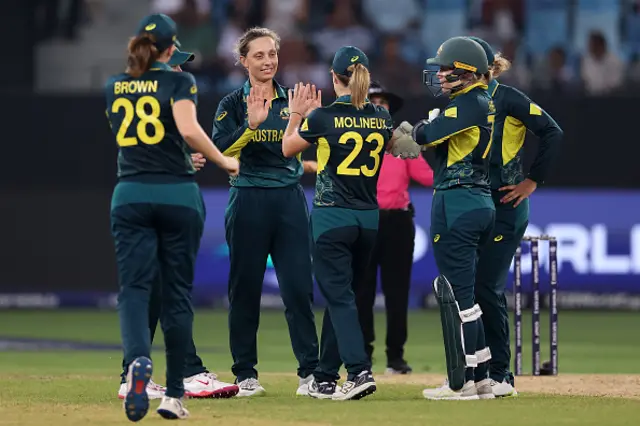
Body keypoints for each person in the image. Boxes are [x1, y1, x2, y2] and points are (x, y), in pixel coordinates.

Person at [105, 13, 239, 421]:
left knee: (133, 290)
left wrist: (182, 154)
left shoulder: (113, 86)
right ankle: (174, 394)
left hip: (130, 191)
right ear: (167, 49)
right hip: (176, 194)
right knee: (177, 293)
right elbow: (188, 128)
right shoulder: (180, 81)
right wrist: (222, 160)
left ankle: (135, 368)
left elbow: (138, 140)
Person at [211, 27, 319, 397]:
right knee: (244, 290)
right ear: (243, 61)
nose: (268, 61)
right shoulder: (230, 104)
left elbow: (304, 149)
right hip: (248, 200)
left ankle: (310, 373)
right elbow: (223, 156)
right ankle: (245, 374)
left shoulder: (295, 101)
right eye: (258, 55)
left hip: (288, 200)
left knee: (298, 289)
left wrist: (312, 121)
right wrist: (251, 125)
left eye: (272, 53)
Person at [282, 46, 393, 401]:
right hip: (368, 220)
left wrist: (297, 115)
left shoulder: (323, 118)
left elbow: (287, 149)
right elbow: (394, 144)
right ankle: (326, 376)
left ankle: (359, 371)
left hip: (332, 216)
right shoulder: (380, 117)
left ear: (334, 77)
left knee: (339, 296)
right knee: (342, 296)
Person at [389, 36, 496, 400]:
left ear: (466, 72)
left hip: (458, 202)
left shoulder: (471, 102)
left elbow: (425, 134)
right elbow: (436, 142)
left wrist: (419, 130)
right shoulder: (479, 102)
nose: (440, 76)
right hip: (476, 200)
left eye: (446, 69)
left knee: (456, 294)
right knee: (469, 294)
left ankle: (461, 381)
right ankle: (481, 377)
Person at [468, 36, 563, 397]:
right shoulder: (461, 103)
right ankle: (473, 369)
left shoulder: (508, 98)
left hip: (505, 204)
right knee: (469, 289)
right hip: (472, 203)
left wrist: (531, 181)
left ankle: (501, 374)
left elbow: (552, 132)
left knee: (486, 286)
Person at [356, 81, 433, 375]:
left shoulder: (403, 138)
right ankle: (362, 357)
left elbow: (426, 177)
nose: (379, 105)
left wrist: (436, 144)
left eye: (384, 101)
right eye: (374, 100)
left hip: (398, 222)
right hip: (365, 219)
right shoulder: (354, 137)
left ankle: (395, 358)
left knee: (397, 292)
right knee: (362, 291)